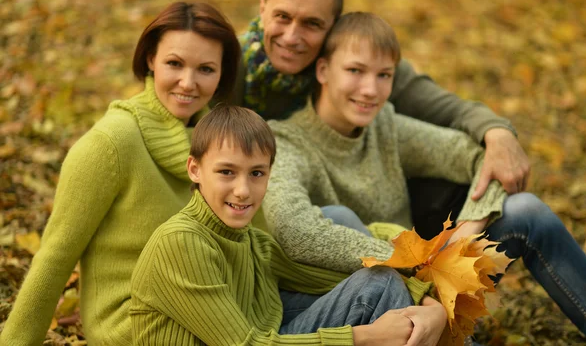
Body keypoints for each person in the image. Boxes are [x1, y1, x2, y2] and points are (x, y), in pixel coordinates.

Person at [261, 11, 586, 344]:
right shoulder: (287, 142)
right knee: (338, 217)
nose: (370, 89)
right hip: (359, 308)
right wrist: (416, 263)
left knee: (527, 210)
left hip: (430, 286)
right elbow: (295, 231)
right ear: (323, 70)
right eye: (355, 71)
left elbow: (484, 158)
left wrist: (466, 229)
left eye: (384, 75)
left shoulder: (386, 127)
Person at [228, 0, 530, 238]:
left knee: (520, 207)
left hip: (387, 220)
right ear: (263, 8)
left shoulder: (360, 69)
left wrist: (497, 132)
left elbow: (445, 108)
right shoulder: (229, 66)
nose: (292, 37)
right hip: (275, 212)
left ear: (333, 26)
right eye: (282, 17)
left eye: (312, 24)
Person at [0, 1, 241, 346]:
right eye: (174, 63)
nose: (188, 83)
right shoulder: (111, 143)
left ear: (222, 75)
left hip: (217, 309)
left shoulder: (223, 141)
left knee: (345, 297)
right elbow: (55, 256)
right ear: (150, 60)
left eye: (205, 69)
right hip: (138, 327)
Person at [130, 104, 448, 346]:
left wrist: (432, 305)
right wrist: (366, 336)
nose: (242, 190)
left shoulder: (250, 240)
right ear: (195, 169)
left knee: (379, 283)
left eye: (256, 173)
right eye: (226, 172)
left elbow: (336, 278)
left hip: (271, 332)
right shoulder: (180, 242)